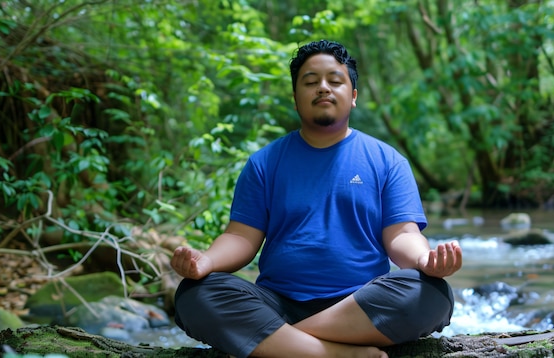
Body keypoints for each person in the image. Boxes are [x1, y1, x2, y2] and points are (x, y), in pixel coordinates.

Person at [170, 39, 463, 358]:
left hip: (359, 307)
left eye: (335, 81)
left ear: (353, 97)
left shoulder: (387, 161)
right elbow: (241, 236)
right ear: (296, 99)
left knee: (432, 293)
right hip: (277, 303)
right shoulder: (265, 163)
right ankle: (340, 354)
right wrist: (206, 261)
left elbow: (403, 235)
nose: (323, 88)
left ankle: (282, 343)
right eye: (311, 82)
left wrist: (425, 261)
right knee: (195, 294)